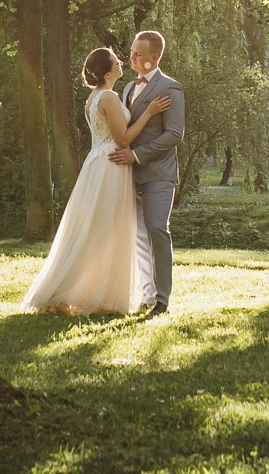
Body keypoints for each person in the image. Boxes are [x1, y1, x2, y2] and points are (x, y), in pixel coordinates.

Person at [21, 46, 172, 315]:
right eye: (116, 61)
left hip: (97, 162)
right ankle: (94, 295)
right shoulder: (110, 98)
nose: (121, 62)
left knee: (94, 228)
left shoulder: (94, 97)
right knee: (107, 229)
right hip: (111, 165)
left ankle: (89, 292)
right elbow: (123, 138)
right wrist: (148, 113)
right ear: (106, 71)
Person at [108, 30, 185, 316]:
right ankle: (147, 295)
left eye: (138, 54)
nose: (132, 58)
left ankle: (162, 300)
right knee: (139, 235)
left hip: (159, 173)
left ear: (155, 57)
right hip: (129, 174)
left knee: (155, 228)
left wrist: (137, 154)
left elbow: (174, 134)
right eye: (131, 52)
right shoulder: (128, 88)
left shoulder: (170, 88)